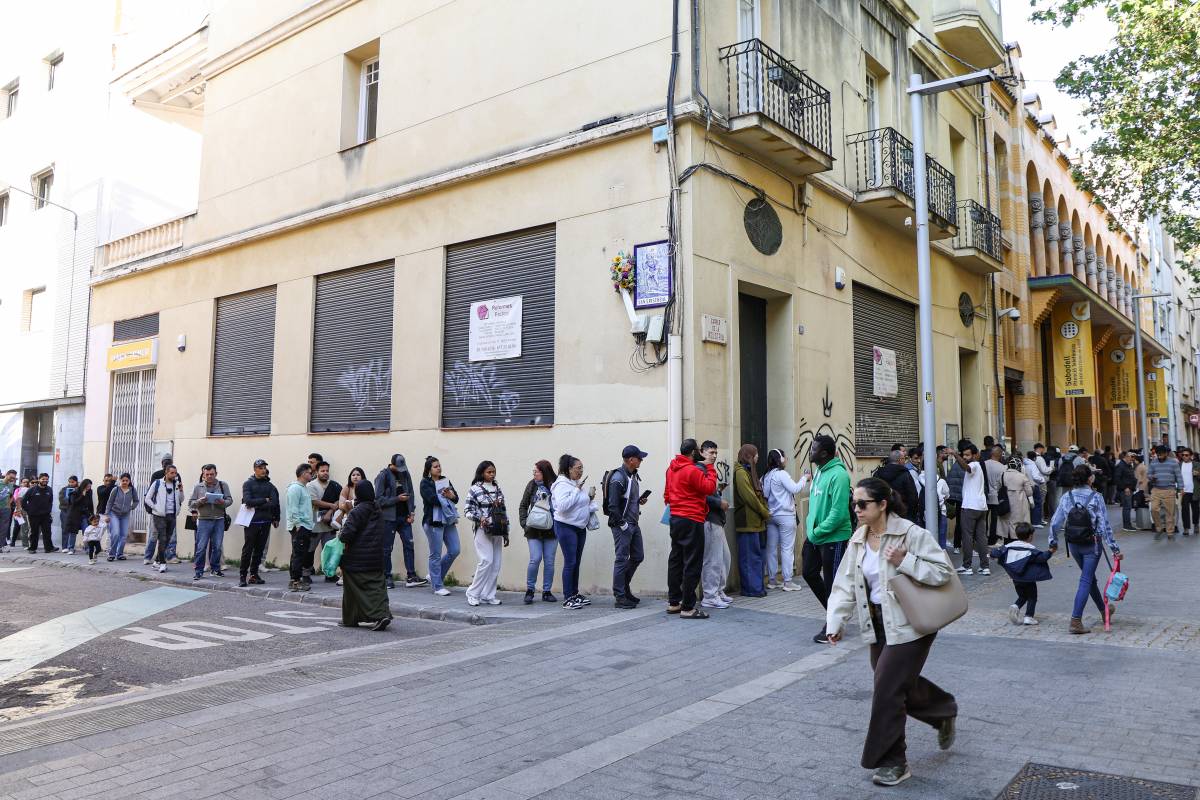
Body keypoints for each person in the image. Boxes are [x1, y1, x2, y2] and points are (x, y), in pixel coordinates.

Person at [825, 477, 958, 788]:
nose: (855, 509)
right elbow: (844, 585)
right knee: (897, 684)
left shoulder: (910, 534)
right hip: (878, 624)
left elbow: (943, 572)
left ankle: (893, 761)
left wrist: (906, 560)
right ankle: (942, 710)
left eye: (862, 504)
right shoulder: (858, 539)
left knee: (887, 688)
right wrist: (836, 623)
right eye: (853, 504)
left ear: (882, 504)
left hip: (912, 624)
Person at [1049, 463, 1124, 634]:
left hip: (1074, 544)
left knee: (1089, 579)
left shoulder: (1067, 497)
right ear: (1090, 478)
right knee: (1086, 580)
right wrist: (1115, 549)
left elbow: (1055, 522)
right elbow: (1105, 526)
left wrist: (1053, 542)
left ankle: (1104, 609)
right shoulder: (1096, 497)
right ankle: (1075, 620)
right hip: (1092, 544)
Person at [804, 434, 853, 642]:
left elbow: (839, 513)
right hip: (816, 536)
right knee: (808, 572)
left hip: (833, 537)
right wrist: (810, 530)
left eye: (813, 448)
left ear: (824, 453)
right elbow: (815, 506)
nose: (810, 452)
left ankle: (833, 626)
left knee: (833, 583)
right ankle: (834, 615)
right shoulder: (819, 472)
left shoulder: (839, 475)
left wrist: (817, 531)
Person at [665, 438, 718, 618]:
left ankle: (674, 602)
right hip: (692, 519)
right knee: (692, 563)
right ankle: (688, 607)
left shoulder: (671, 469)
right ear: (693, 452)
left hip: (676, 518)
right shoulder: (692, 470)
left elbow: (667, 494)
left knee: (676, 560)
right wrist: (710, 469)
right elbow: (710, 488)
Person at [337, 479, 392, 631]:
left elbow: (346, 535)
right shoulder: (377, 509)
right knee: (377, 587)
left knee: (352, 589)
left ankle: (375, 616)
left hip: (357, 559)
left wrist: (341, 532)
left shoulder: (358, 511)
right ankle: (377, 614)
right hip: (376, 558)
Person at [604, 445, 648, 609]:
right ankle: (620, 596)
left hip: (633, 524)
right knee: (621, 559)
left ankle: (624, 588)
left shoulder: (632, 475)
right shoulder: (618, 478)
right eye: (639, 458)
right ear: (631, 460)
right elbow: (613, 506)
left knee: (638, 556)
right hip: (623, 525)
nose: (641, 460)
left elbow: (627, 500)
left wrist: (638, 502)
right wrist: (623, 525)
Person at [375, 454, 426, 590]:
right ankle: (387, 577)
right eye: (398, 467)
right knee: (387, 548)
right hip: (388, 518)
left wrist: (412, 512)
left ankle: (411, 576)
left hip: (405, 517)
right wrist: (397, 499)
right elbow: (378, 500)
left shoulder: (405, 473)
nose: (401, 470)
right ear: (392, 464)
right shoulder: (383, 476)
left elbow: (411, 493)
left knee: (409, 545)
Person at [760, 448, 808, 592]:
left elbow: (765, 495)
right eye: (784, 457)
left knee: (771, 548)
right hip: (786, 515)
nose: (786, 460)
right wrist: (805, 477)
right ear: (780, 459)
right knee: (787, 549)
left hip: (771, 515)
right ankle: (787, 581)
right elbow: (795, 488)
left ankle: (772, 579)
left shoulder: (765, 476)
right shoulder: (782, 474)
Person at [551, 454, 595, 610]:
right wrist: (577, 491)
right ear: (569, 469)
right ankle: (568, 597)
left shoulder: (575, 483)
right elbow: (563, 506)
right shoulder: (561, 484)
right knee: (570, 562)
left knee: (576, 562)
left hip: (579, 527)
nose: (581, 471)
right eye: (578, 468)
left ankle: (575, 594)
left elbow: (582, 503)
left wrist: (590, 500)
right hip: (566, 527)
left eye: (582, 467)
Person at [990, 522, 1052, 626]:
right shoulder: (1031, 549)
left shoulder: (1009, 546)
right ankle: (1029, 616)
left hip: (1015, 578)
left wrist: (992, 555)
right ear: (1031, 536)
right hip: (1028, 579)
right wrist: (1050, 551)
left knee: (1023, 596)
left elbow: (995, 552)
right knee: (1032, 597)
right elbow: (1042, 558)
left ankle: (1015, 606)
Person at [464, 460, 508, 607]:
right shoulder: (474, 489)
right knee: (486, 561)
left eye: (493, 472)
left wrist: (506, 531)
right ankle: (473, 593)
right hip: (483, 530)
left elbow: (503, 510)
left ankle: (488, 595)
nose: (492, 474)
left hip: (497, 530)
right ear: (482, 472)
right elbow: (467, 511)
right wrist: (480, 518)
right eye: (489, 472)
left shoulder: (497, 488)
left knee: (496, 564)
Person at [419, 456, 461, 597]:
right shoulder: (425, 483)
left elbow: (456, 498)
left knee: (455, 550)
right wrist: (446, 495)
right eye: (435, 466)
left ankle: (433, 575)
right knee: (435, 554)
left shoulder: (445, 480)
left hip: (448, 519)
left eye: (439, 465)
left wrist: (450, 495)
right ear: (429, 470)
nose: (439, 468)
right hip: (433, 521)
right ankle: (437, 586)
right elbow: (431, 499)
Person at [731, 443, 768, 598]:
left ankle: (756, 586)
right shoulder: (740, 473)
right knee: (749, 557)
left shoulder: (747, 471)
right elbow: (749, 497)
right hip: (747, 522)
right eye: (755, 454)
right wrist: (764, 511)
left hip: (756, 522)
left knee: (757, 556)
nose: (758, 457)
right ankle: (751, 588)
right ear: (748, 455)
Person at [699, 440, 733, 610]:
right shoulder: (700, 469)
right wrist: (718, 502)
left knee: (724, 558)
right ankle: (710, 596)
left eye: (715, 452)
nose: (714, 455)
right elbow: (700, 495)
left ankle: (718, 591)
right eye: (710, 452)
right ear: (702, 452)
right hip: (709, 519)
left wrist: (717, 493)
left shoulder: (709, 470)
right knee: (713, 559)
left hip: (716, 519)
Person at [518, 460, 558, 604]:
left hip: (552, 531)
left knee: (549, 561)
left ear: (545, 472)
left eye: (537, 471)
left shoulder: (555, 485)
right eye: (533, 471)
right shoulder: (532, 485)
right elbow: (523, 505)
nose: (534, 474)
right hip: (533, 530)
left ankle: (547, 592)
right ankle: (530, 590)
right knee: (535, 559)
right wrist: (524, 523)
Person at [949, 445, 990, 575]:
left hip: (970, 506)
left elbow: (966, 467)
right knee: (981, 537)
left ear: (975, 455)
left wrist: (956, 455)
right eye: (964, 455)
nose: (965, 458)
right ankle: (985, 566)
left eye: (967, 455)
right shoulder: (978, 466)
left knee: (967, 537)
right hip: (981, 506)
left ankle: (967, 566)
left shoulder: (975, 465)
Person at [239, 459, 280, 587]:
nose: (263, 470)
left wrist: (275, 517)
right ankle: (242, 576)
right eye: (260, 468)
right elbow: (247, 501)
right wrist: (265, 500)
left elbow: (274, 503)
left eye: (264, 468)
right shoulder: (248, 484)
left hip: (266, 521)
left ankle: (254, 574)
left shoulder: (270, 486)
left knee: (259, 550)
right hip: (252, 521)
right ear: (255, 469)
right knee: (248, 549)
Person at [188, 464, 232, 581]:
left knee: (217, 547)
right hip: (203, 520)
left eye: (211, 474)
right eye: (206, 474)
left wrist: (223, 502)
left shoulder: (223, 485)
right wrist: (199, 502)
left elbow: (230, 500)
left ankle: (215, 569)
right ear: (203, 475)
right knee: (201, 547)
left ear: (216, 474)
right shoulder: (198, 487)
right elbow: (190, 504)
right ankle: (199, 571)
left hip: (219, 519)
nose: (209, 476)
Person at [307, 461, 342, 581]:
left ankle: (329, 573)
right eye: (322, 471)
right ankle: (306, 573)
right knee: (310, 548)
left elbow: (340, 500)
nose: (325, 473)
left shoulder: (335, 485)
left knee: (329, 549)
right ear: (316, 472)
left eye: (327, 470)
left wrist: (330, 510)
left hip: (329, 522)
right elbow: (315, 501)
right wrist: (332, 506)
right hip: (315, 522)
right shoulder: (311, 485)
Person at [144, 465, 182, 573]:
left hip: (172, 515)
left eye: (175, 473)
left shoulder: (176, 485)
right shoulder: (157, 483)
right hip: (159, 516)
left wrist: (181, 491)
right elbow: (147, 498)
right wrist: (156, 507)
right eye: (172, 473)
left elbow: (181, 499)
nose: (174, 475)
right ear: (166, 472)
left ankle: (157, 561)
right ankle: (163, 563)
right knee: (163, 538)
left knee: (168, 539)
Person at [285, 464, 315, 592]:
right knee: (298, 554)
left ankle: (294, 580)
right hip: (300, 526)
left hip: (305, 525)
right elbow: (293, 508)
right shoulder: (295, 489)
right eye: (309, 473)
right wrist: (297, 524)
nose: (311, 475)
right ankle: (296, 581)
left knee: (299, 553)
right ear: (303, 474)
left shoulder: (304, 488)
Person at [1146, 445, 1182, 541]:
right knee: (1153, 509)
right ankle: (1159, 528)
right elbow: (1148, 474)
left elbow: (1178, 476)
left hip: (1169, 490)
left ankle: (1170, 532)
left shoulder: (1173, 462)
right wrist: (1151, 477)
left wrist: (1181, 488)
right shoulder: (1153, 462)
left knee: (1170, 513)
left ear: (1166, 453)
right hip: (1156, 490)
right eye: (1158, 454)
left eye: (1161, 454)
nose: (1159, 456)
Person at [874, 451, 919, 524]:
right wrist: (911, 516)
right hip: (902, 516)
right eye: (904, 459)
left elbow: (873, 493)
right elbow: (913, 497)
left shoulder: (878, 474)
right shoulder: (905, 475)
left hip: (882, 514)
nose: (905, 461)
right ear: (900, 460)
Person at [996, 458, 1033, 544]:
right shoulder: (1022, 476)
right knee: (1018, 522)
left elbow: (997, 487)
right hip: (1019, 503)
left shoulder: (1002, 475)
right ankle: (1018, 539)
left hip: (1005, 502)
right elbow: (1029, 492)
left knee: (1006, 521)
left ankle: (1007, 540)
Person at [101, 473, 138, 561]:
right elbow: (109, 503)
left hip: (125, 515)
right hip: (114, 514)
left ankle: (120, 554)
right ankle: (112, 554)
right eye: (123, 480)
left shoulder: (132, 490)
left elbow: (136, 501)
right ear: (120, 481)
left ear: (129, 481)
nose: (125, 482)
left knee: (124, 535)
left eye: (127, 481)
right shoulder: (115, 489)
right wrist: (106, 514)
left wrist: (131, 507)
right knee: (116, 534)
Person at [23, 473, 55, 553]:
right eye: (43, 479)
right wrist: (29, 510)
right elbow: (23, 501)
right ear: (39, 480)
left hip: (46, 515)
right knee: (34, 532)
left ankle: (48, 548)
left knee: (47, 532)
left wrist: (49, 510)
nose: (45, 480)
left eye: (46, 479)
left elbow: (50, 501)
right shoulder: (32, 490)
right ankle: (32, 548)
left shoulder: (49, 489)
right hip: (34, 515)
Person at [65, 479, 94, 555]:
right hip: (74, 515)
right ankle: (71, 548)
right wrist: (82, 495)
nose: (88, 488)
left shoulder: (89, 492)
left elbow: (90, 504)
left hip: (84, 515)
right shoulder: (75, 492)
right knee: (73, 532)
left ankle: (87, 548)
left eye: (90, 487)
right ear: (83, 486)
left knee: (86, 531)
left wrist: (92, 514)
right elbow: (73, 503)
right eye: (87, 486)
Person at [1113, 450, 1137, 532]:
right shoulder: (1121, 466)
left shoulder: (1127, 465)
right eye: (1131, 458)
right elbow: (1117, 478)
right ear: (1126, 457)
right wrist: (1125, 488)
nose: (1132, 459)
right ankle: (1127, 525)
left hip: (1129, 489)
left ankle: (1128, 524)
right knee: (1127, 507)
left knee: (1128, 507)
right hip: (1125, 490)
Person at [1023, 451, 1047, 528]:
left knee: (1030, 504)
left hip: (1026, 485)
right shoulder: (1032, 464)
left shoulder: (1024, 463)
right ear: (1034, 458)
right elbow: (1035, 476)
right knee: (1037, 503)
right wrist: (1042, 479)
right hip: (1034, 485)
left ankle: (1031, 520)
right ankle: (1036, 521)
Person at [1179, 448, 1198, 537]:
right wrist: (1179, 488)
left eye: (1186, 455)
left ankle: (1196, 524)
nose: (1184, 457)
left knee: (1196, 510)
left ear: (1191, 456)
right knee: (1184, 510)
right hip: (1184, 491)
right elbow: (1176, 478)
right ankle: (1186, 528)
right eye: (1183, 455)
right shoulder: (1179, 465)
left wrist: (1198, 474)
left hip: (1194, 491)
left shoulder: (1196, 464)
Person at [58, 475, 78, 548]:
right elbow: (61, 500)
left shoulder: (79, 489)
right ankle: (64, 547)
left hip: (74, 512)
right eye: (69, 482)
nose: (71, 484)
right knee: (65, 528)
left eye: (73, 482)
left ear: (76, 482)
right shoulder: (64, 489)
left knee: (73, 530)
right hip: (65, 511)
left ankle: (71, 547)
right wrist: (70, 500)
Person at [0, 470, 15, 554]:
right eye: (11, 477)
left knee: (4, 528)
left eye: (14, 478)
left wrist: (8, 505)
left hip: (5, 509)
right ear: (6, 475)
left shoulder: (11, 485)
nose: (12, 479)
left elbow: (11, 496)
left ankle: (1, 546)